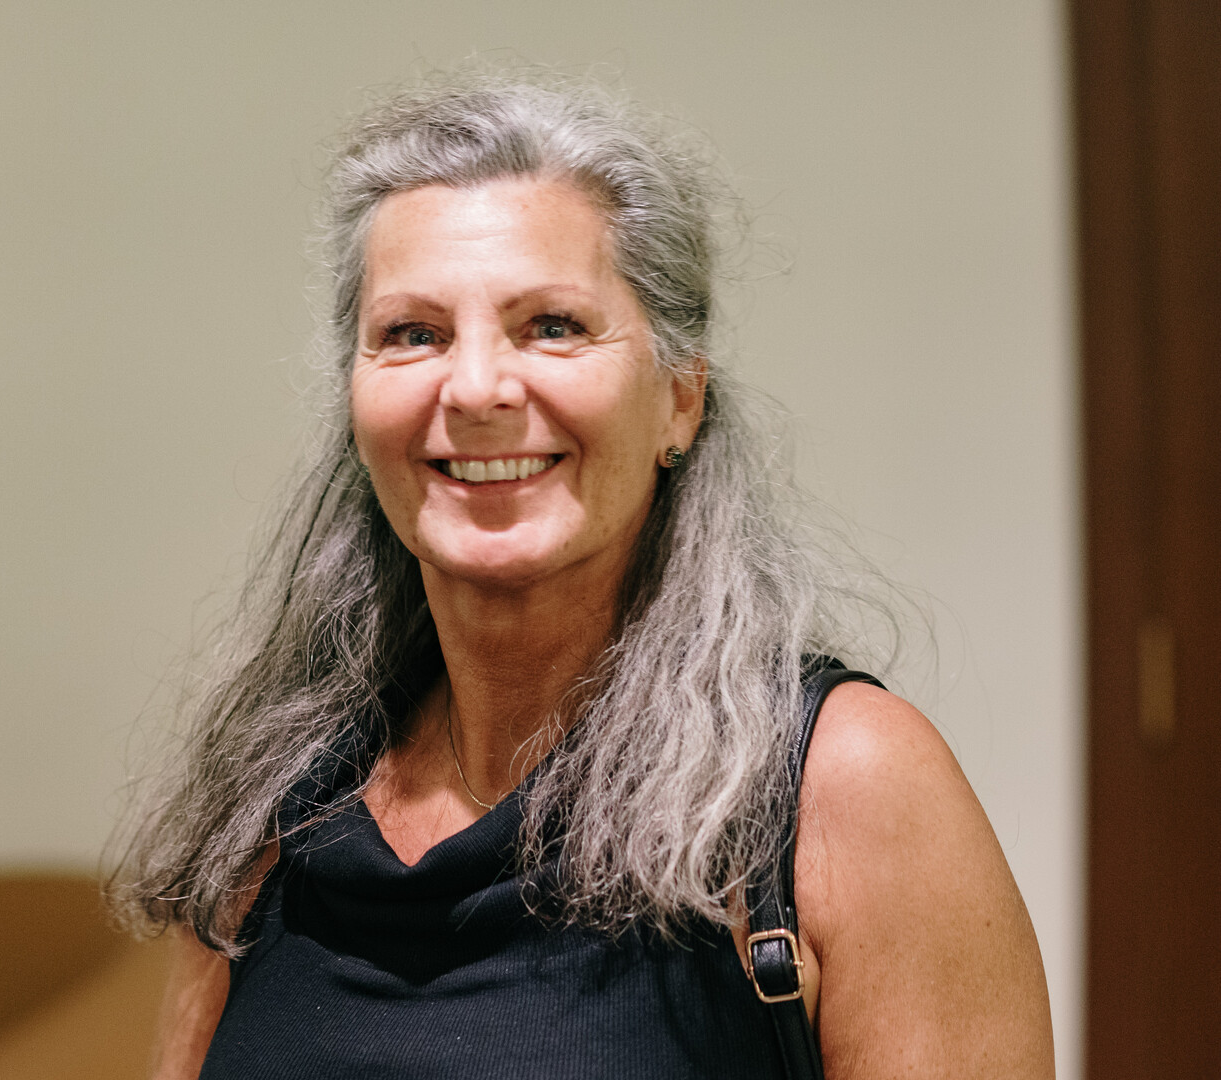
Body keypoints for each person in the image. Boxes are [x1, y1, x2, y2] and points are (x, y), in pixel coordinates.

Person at [109, 70, 1053, 1079]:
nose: (475, 388)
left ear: (680, 397)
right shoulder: (276, 801)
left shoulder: (840, 786)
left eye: (552, 325)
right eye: (413, 334)